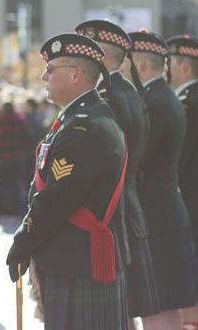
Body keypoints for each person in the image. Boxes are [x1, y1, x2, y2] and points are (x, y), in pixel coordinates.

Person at [6, 33, 130, 330]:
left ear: (76, 74)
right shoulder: (81, 117)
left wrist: (22, 242)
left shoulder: (82, 127)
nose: (43, 76)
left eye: (51, 69)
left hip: (77, 261)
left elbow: (56, 199)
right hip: (75, 256)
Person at [75, 20, 161, 328]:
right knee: (122, 314)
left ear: (97, 56)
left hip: (112, 213)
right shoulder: (127, 91)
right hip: (126, 208)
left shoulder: (108, 97)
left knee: (113, 316)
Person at [124, 29, 198, 330]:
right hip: (166, 210)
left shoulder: (155, 102)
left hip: (156, 213)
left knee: (156, 308)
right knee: (166, 306)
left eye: (124, 63)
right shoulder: (162, 98)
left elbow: (138, 163)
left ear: (140, 66)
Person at [167, 34, 198, 330]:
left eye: (171, 63)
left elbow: (175, 162)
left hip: (189, 203)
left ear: (185, 67)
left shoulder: (187, 104)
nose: (168, 70)